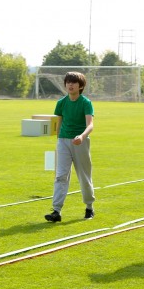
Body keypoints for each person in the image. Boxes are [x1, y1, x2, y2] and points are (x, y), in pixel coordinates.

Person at [45, 71, 95, 222]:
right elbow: (58, 124)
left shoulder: (86, 103)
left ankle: (89, 207)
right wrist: (58, 139)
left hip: (80, 142)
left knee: (84, 176)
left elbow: (90, 125)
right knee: (60, 176)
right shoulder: (61, 103)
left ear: (80, 86)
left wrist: (82, 136)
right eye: (68, 82)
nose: (70, 85)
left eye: (73, 82)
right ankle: (56, 211)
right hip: (63, 142)